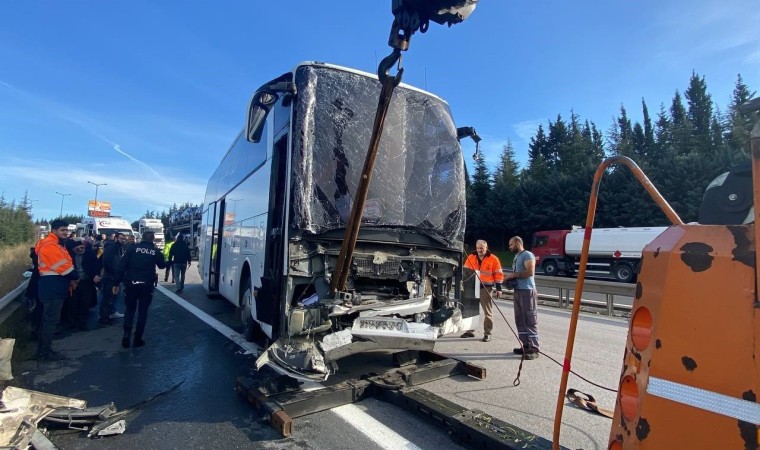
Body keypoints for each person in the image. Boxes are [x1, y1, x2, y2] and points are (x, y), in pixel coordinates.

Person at [35, 219, 79, 360]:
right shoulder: (51, 246)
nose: (66, 232)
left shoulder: (56, 244)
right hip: (52, 286)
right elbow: (65, 268)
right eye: (62, 230)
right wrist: (75, 276)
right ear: (54, 231)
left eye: (67, 230)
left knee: (48, 319)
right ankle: (44, 352)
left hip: (52, 286)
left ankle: (44, 350)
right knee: (50, 320)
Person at [114, 231, 166, 348]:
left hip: (131, 283)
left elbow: (121, 266)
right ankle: (138, 338)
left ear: (142, 238)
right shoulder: (154, 251)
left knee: (130, 310)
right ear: (152, 239)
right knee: (143, 312)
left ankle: (126, 335)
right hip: (147, 285)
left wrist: (116, 283)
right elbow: (162, 265)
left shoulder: (132, 249)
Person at [504, 236, 540, 360]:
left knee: (530, 319)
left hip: (527, 291)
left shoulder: (528, 255)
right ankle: (525, 345)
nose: (510, 247)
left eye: (511, 244)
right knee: (519, 319)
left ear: (518, 242)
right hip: (518, 291)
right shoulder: (516, 256)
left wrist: (514, 275)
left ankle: (534, 348)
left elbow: (530, 272)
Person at [463, 239, 504, 342]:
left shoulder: (493, 259)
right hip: (472, 287)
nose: (479, 250)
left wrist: (499, 288)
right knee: (470, 310)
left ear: (486, 247)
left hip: (485, 288)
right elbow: (465, 271)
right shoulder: (471, 257)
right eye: (478, 248)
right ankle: (469, 331)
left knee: (487, 312)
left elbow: (498, 274)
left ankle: (487, 333)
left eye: (481, 248)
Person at [66, 238, 101, 330]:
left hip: (87, 281)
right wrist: (71, 280)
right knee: (73, 303)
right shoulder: (70, 256)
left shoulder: (89, 254)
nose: (81, 250)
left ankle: (82, 323)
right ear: (74, 249)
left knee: (85, 303)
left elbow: (97, 264)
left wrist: (97, 274)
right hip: (74, 282)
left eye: (82, 248)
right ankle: (73, 323)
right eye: (78, 248)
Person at [99, 232, 126, 325]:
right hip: (110, 277)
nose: (123, 241)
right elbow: (107, 263)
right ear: (115, 238)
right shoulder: (111, 248)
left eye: (124, 239)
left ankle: (111, 312)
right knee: (108, 297)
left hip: (115, 276)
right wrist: (114, 274)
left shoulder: (118, 248)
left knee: (114, 296)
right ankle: (103, 317)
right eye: (121, 238)